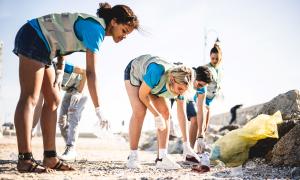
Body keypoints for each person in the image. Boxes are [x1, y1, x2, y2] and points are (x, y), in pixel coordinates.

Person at [13, 2, 139, 173]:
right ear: (114, 22)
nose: (124, 37)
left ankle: (50, 157)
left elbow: (62, 43)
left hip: (46, 47)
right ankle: (24, 159)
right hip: (33, 35)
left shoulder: (96, 29)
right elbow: (91, 73)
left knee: (53, 99)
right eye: (124, 31)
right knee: (30, 96)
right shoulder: (96, 30)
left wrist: (58, 72)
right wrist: (99, 109)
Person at [124, 54, 212, 169]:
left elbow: (182, 114)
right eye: (179, 89)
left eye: (183, 91)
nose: (180, 93)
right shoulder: (158, 71)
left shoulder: (182, 86)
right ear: (171, 79)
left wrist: (187, 145)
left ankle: (162, 158)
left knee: (165, 113)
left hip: (153, 83)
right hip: (136, 72)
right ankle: (133, 156)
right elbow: (142, 94)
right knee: (140, 111)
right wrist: (155, 115)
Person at [187, 40, 223, 156]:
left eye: (216, 59)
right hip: (200, 98)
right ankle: (190, 151)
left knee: (204, 126)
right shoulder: (208, 69)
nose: (214, 61)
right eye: (212, 58)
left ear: (220, 58)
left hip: (209, 100)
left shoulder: (219, 69)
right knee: (196, 121)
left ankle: (199, 150)